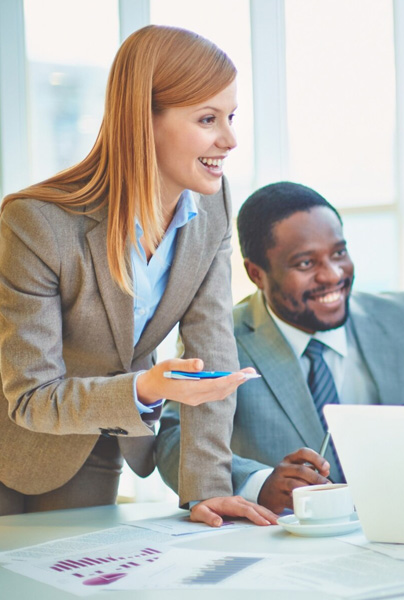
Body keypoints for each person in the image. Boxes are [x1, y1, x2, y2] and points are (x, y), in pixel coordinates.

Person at [0, 25, 274, 527]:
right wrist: (146, 389)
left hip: (101, 438)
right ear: (144, 121)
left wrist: (206, 491)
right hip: (11, 440)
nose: (230, 139)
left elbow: (211, 351)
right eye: (208, 119)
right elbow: (31, 396)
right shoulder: (36, 223)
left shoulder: (212, 208)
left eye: (231, 117)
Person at [156, 182, 404, 513]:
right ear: (257, 274)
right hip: (286, 545)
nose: (332, 275)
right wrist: (258, 483)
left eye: (339, 253)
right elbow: (174, 440)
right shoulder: (221, 339)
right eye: (306, 263)